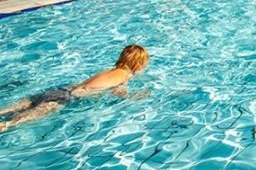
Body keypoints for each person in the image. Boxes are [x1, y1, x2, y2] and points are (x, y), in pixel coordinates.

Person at [0, 44, 149, 133]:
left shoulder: (110, 70)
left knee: (20, 106)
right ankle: (6, 124)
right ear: (137, 66)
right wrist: (133, 97)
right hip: (67, 98)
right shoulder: (125, 76)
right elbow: (119, 93)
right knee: (21, 120)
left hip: (61, 90)